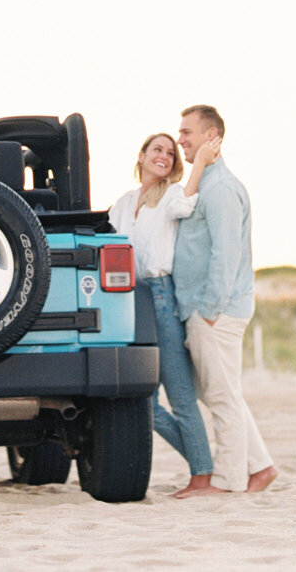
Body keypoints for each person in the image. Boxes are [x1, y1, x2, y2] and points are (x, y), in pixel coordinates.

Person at [171, 104, 278, 496]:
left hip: (216, 310)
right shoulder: (204, 183)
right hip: (203, 307)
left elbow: (226, 255)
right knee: (222, 392)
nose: (181, 138)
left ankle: (229, 479)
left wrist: (211, 309)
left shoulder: (221, 189)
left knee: (220, 396)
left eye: (188, 132)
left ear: (212, 136)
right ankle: (261, 467)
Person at [107, 130, 220, 497]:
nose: (164, 156)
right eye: (157, 150)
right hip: (128, 300)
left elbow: (186, 204)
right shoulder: (123, 203)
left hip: (160, 297)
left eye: (170, 154)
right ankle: (212, 466)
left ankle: (203, 475)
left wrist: (198, 162)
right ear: (141, 155)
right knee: (148, 404)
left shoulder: (171, 194)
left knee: (181, 396)